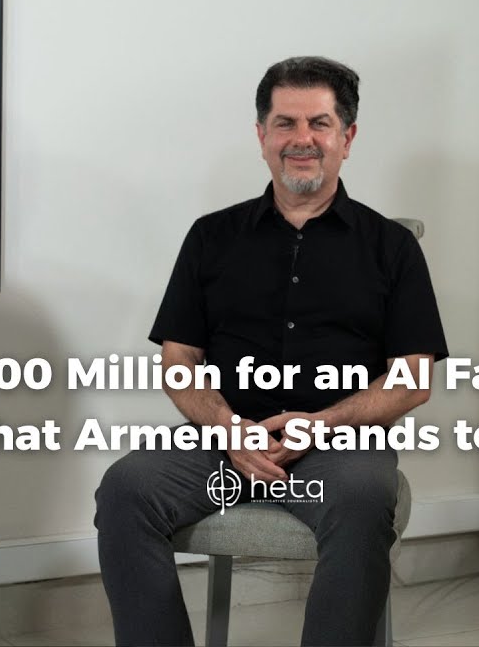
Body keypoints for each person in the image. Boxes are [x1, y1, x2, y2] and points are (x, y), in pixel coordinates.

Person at [95, 56, 449, 646]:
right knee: (126, 488)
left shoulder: (391, 247)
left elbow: (413, 380)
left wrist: (322, 424)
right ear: (262, 135)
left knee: (363, 498)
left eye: (319, 123)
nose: (301, 139)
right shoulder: (210, 236)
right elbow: (178, 364)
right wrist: (228, 428)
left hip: (340, 448)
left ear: (347, 138)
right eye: (285, 123)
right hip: (222, 441)